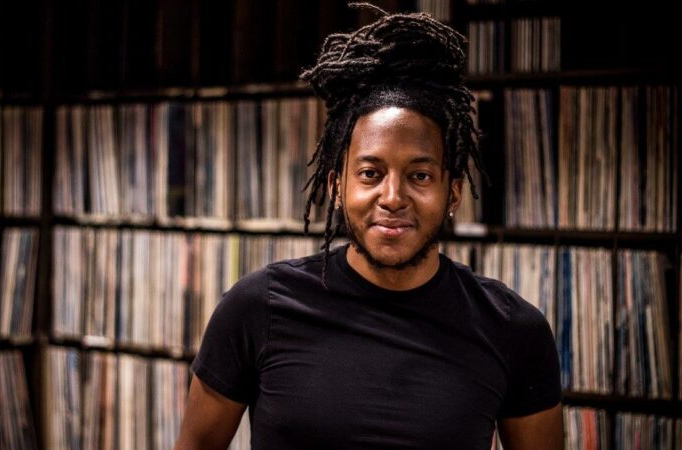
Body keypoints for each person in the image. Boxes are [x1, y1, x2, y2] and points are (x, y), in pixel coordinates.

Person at [174, 4, 563, 449]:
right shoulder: (258, 308)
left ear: (453, 192)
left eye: (419, 176)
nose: (392, 197)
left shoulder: (514, 329)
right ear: (338, 187)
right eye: (370, 173)